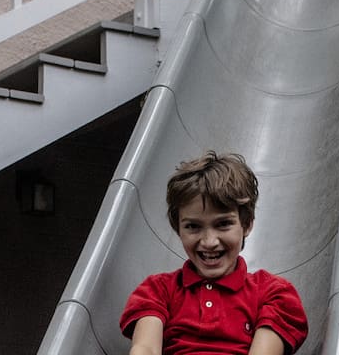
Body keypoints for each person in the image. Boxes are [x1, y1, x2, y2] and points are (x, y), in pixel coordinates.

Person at [120, 151, 308, 355]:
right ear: (178, 229)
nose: (209, 241)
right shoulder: (157, 291)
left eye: (223, 224)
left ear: (246, 225)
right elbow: (146, 348)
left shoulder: (273, 293)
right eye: (193, 226)